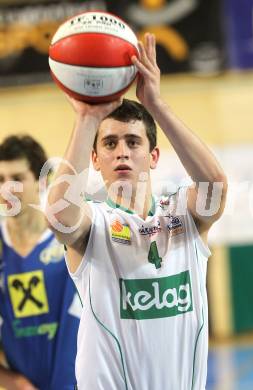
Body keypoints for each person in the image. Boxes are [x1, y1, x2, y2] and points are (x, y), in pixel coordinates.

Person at [46, 33, 227, 390]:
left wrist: (156, 105)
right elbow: (59, 216)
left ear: (153, 156)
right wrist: (86, 118)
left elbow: (215, 188)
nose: (122, 152)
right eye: (110, 143)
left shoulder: (182, 215)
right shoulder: (94, 223)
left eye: (133, 142)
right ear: (95, 159)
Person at [0, 135, 81, 390]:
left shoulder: (73, 238)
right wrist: (16, 384)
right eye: (0, 180)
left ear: (42, 180)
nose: (7, 189)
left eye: (17, 178)